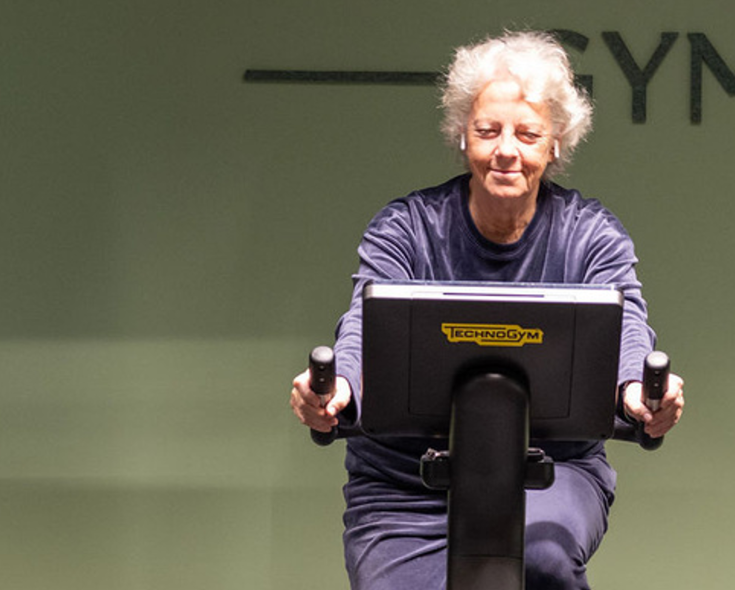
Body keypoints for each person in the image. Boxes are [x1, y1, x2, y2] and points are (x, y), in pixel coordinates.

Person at [289, 30, 685, 589]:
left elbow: (627, 331)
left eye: (527, 134)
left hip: (547, 472)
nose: (507, 150)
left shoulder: (592, 236)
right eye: (488, 130)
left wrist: (636, 394)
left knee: (541, 562)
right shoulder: (406, 230)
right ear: (462, 137)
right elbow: (362, 323)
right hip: (407, 482)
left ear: (554, 145)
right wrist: (339, 389)